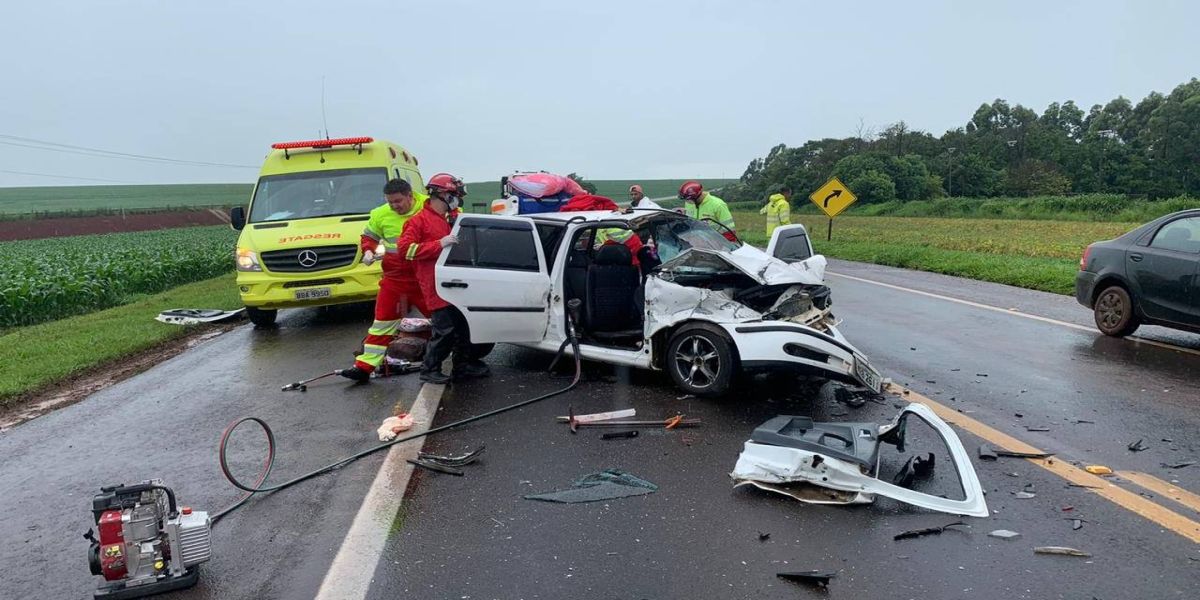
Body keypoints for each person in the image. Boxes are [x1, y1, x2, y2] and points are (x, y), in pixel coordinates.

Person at [399, 173, 491, 384]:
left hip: (457, 282)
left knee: (463, 327)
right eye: (455, 195)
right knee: (445, 330)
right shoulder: (419, 221)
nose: (457, 200)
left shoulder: (451, 218)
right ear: (442, 194)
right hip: (435, 283)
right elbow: (406, 250)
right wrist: (438, 244)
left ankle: (463, 366)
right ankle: (430, 369)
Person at [340, 178, 430, 382]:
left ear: (410, 196)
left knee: (444, 320)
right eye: (390, 202)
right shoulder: (380, 214)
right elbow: (369, 236)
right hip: (395, 278)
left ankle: (462, 359)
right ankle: (364, 367)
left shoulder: (428, 208)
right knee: (382, 323)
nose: (394, 206)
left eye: (398, 201)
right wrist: (368, 250)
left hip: (424, 276)